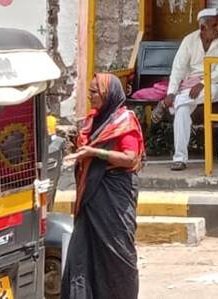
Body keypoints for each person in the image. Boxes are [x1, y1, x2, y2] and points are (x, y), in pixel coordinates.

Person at [62, 73, 145, 298]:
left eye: (95, 92)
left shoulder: (124, 121)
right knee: (82, 253)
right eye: (89, 92)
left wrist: (95, 153)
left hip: (114, 198)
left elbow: (131, 158)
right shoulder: (93, 120)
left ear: (108, 94)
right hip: (91, 200)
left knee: (117, 253)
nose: (90, 97)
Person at [158, 7, 218, 171]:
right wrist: (171, 91)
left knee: (208, 92)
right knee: (182, 110)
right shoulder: (189, 41)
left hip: (216, 86)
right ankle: (179, 158)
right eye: (214, 26)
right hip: (190, 89)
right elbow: (178, 68)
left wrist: (203, 84)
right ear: (202, 28)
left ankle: (171, 103)